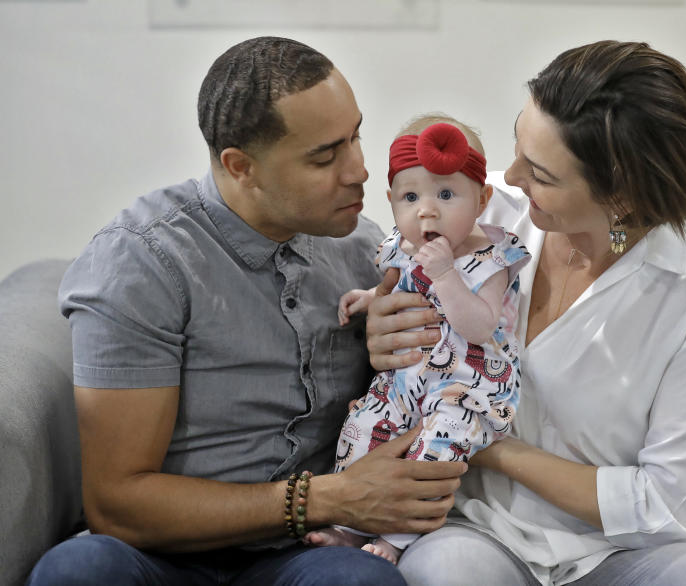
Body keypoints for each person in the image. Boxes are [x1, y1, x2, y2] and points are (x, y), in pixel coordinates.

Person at [26, 36, 467, 586]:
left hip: (308, 552)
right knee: (81, 570)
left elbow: (449, 376)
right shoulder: (143, 262)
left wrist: (390, 351)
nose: (359, 170)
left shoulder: (365, 248)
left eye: (357, 135)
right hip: (166, 553)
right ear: (242, 167)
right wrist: (323, 497)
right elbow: (118, 504)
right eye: (325, 155)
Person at [364, 41, 686, 585]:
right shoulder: (490, 211)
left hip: (624, 553)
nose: (509, 175)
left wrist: (496, 450)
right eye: (518, 142)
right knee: (447, 572)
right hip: (478, 528)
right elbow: (400, 256)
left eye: (541, 174)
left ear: (620, 197)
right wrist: (383, 321)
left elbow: (675, 507)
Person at [303, 116, 531, 563]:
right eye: (410, 197)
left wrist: (446, 275)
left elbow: (481, 326)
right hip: (406, 380)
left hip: (465, 387)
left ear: (482, 198)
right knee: (362, 428)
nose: (427, 211)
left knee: (435, 450)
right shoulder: (402, 245)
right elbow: (393, 287)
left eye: (446, 195)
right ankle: (351, 526)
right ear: (391, 202)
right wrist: (367, 298)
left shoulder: (492, 258)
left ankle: (397, 539)